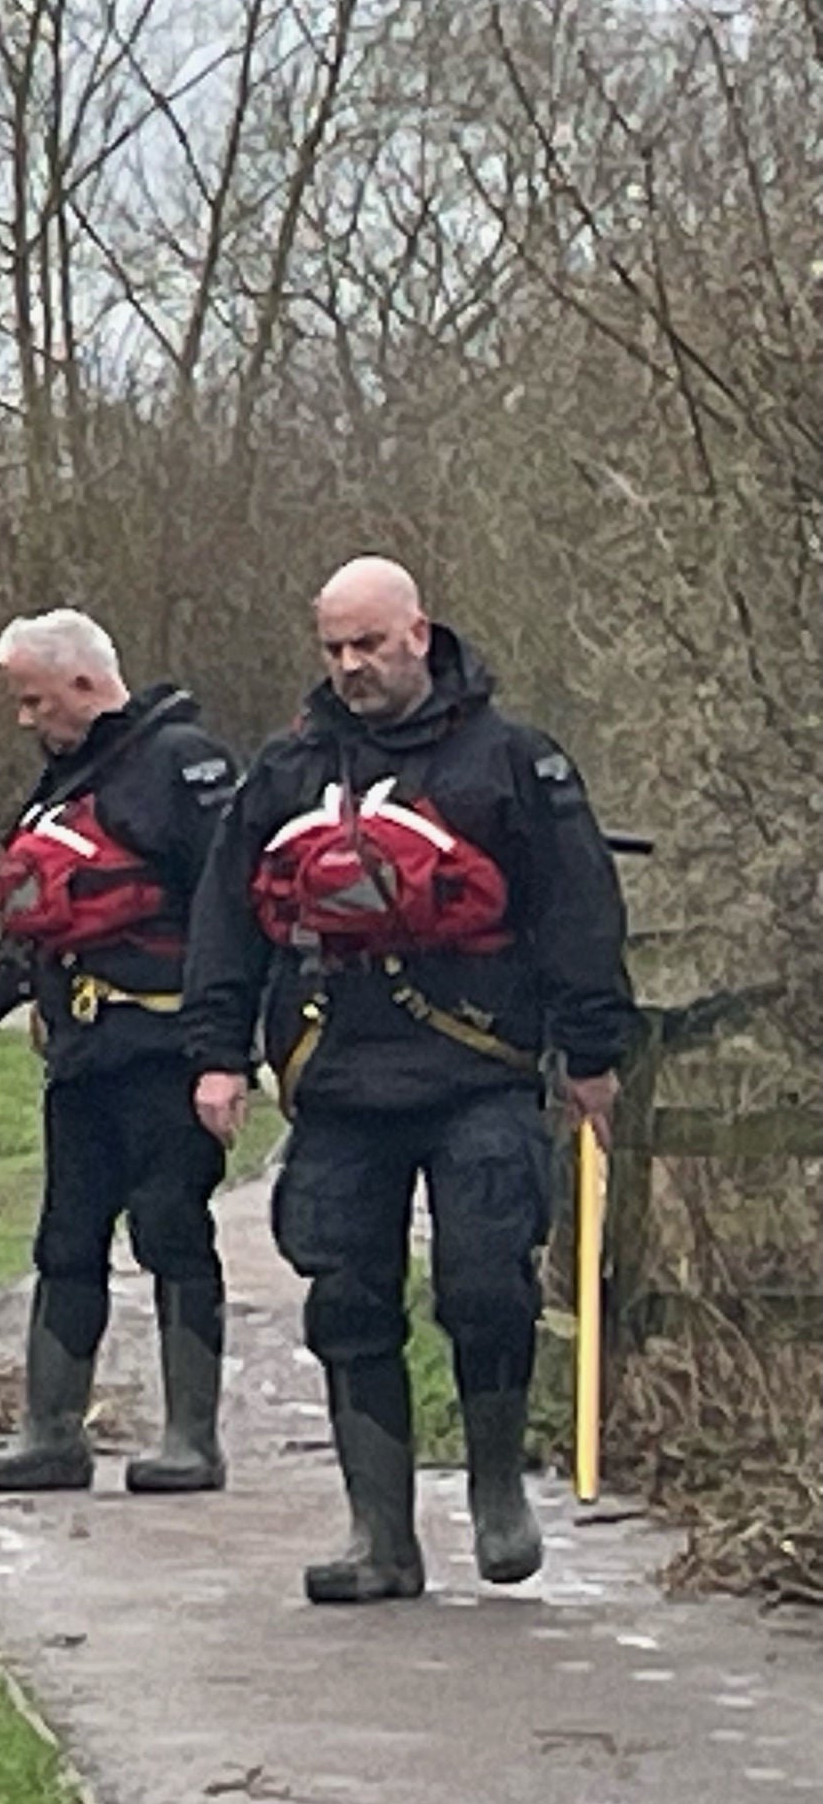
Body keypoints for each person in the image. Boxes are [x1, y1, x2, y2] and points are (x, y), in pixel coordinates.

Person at [179, 557, 633, 1602]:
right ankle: (378, 1537)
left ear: (417, 634)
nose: (350, 667)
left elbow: (575, 907)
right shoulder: (286, 773)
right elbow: (222, 920)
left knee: (484, 1280)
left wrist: (592, 1054)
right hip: (337, 1078)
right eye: (333, 649)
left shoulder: (511, 762)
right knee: (344, 1297)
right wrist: (215, 1053)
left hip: (479, 1065)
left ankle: (494, 1498)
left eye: (368, 645)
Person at [0, 609, 241, 1493]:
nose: (25, 719)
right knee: (66, 1239)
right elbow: (37, 933)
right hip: (82, 1056)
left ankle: (192, 1438)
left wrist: (229, 1048)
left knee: (170, 1229)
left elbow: (233, 911)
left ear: (81, 684)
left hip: (166, 1051)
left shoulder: (184, 769)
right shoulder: (56, 791)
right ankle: (51, 1433)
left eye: (33, 700)